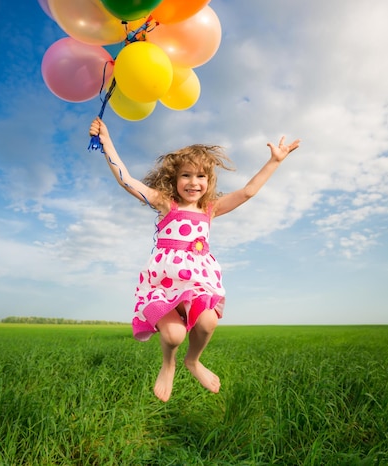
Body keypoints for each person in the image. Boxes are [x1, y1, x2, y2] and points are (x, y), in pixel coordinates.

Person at [89, 117, 300, 402]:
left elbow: (248, 191)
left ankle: (193, 360)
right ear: (174, 180)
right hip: (164, 283)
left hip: (197, 280)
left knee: (208, 322)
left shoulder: (210, 209)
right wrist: (106, 141)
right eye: (186, 175)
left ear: (209, 181)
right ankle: (169, 363)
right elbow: (126, 180)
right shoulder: (167, 204)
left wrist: (275, 161)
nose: (193, 182)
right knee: (174, 335)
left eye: (201, 176)